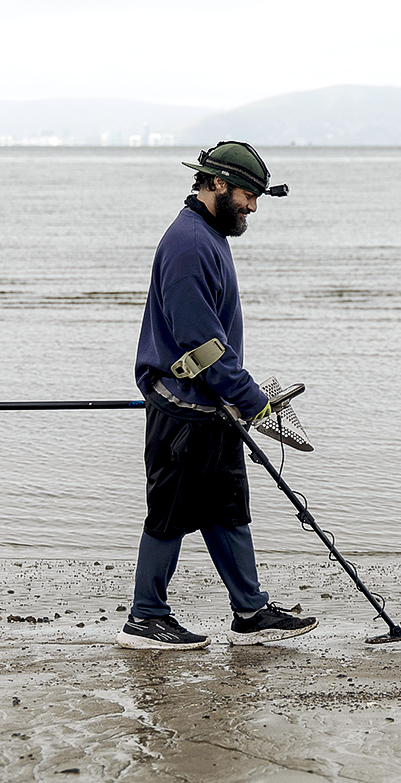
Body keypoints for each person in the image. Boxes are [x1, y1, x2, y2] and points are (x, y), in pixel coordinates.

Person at [116, 141, 318, 650]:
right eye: (249, 195)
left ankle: (250, 612)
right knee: (170, 513)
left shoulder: (208, 235)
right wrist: (252, 398)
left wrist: (237, 397)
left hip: (211, 404)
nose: (253, 206)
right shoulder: (188, 244)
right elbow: (200, 345)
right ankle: (145, 618)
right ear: (217, 185)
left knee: (226, 508)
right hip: (185, 407)